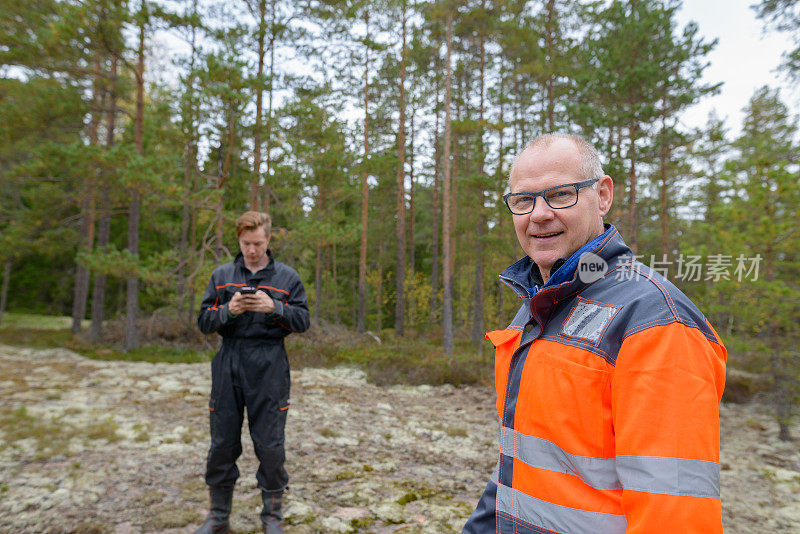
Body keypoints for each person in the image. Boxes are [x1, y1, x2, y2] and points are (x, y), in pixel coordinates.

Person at [462, 134, 727, 534]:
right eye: (523, 200)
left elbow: (675, 515)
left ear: (602, 196)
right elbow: (516, 467)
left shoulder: (656, 321)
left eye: (561, 194)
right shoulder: (540, 305)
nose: (539, 214)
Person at [195, 211, 310, 534]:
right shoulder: (222, 275)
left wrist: (275, 308)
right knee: (222, 443)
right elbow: (203, 321)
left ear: (268, 239)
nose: (252, 250)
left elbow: (303, 321)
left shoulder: (287, 278)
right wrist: (227, 312)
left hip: (270, 364)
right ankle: (218, 518)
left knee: (270, 444)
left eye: (258, 243)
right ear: (239, 241)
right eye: (246, 244)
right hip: (229, 361)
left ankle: (272, 518)